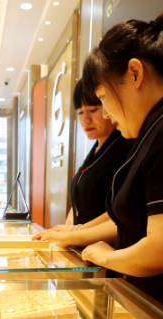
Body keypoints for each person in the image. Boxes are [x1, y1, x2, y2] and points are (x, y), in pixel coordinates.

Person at [37, 13, 163, 319]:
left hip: (162, 317)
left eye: (102, 98)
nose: (106, 113)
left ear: (136, 74)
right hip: (140, 308)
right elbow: (128, 216)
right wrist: (75, 235)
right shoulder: (158, 128)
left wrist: (104, 256)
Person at [54, 79, 133, 231]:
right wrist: (67, 231)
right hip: (82, 241)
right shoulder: (96, 149)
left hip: (107, 243)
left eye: (93, 110)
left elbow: (122, 211)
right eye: (80, 112)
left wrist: (75, 232)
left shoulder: (127, 147)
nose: (85, 120)